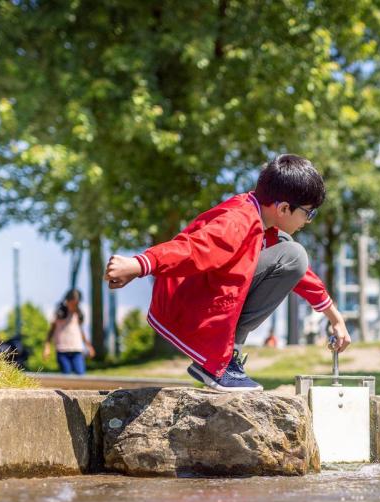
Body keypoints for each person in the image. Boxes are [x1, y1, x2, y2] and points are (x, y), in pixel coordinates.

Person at [103, 155, 351, 392]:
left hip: (192, 303)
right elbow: (195, 248)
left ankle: (222, 358)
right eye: (308, 213)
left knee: (288, 250)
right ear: (284, 208)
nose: (308, 221)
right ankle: (218, 365)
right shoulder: (239, 221)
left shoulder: (263, 222)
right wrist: (139, 264)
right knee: (294, 254)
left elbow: (300, 275)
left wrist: (334, 317)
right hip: (188, 309)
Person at [43, 288, 95, 374]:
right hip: (62, 350)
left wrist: (88, 346)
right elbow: (51, 331)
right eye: (72, 304)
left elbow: (81, 331)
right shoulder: (59, 313)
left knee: (80, 374)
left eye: (77, 304)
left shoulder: (78, 314)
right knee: (66, 375)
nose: (74, 306)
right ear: (67, 301)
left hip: (77, 349)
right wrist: (47, 347)